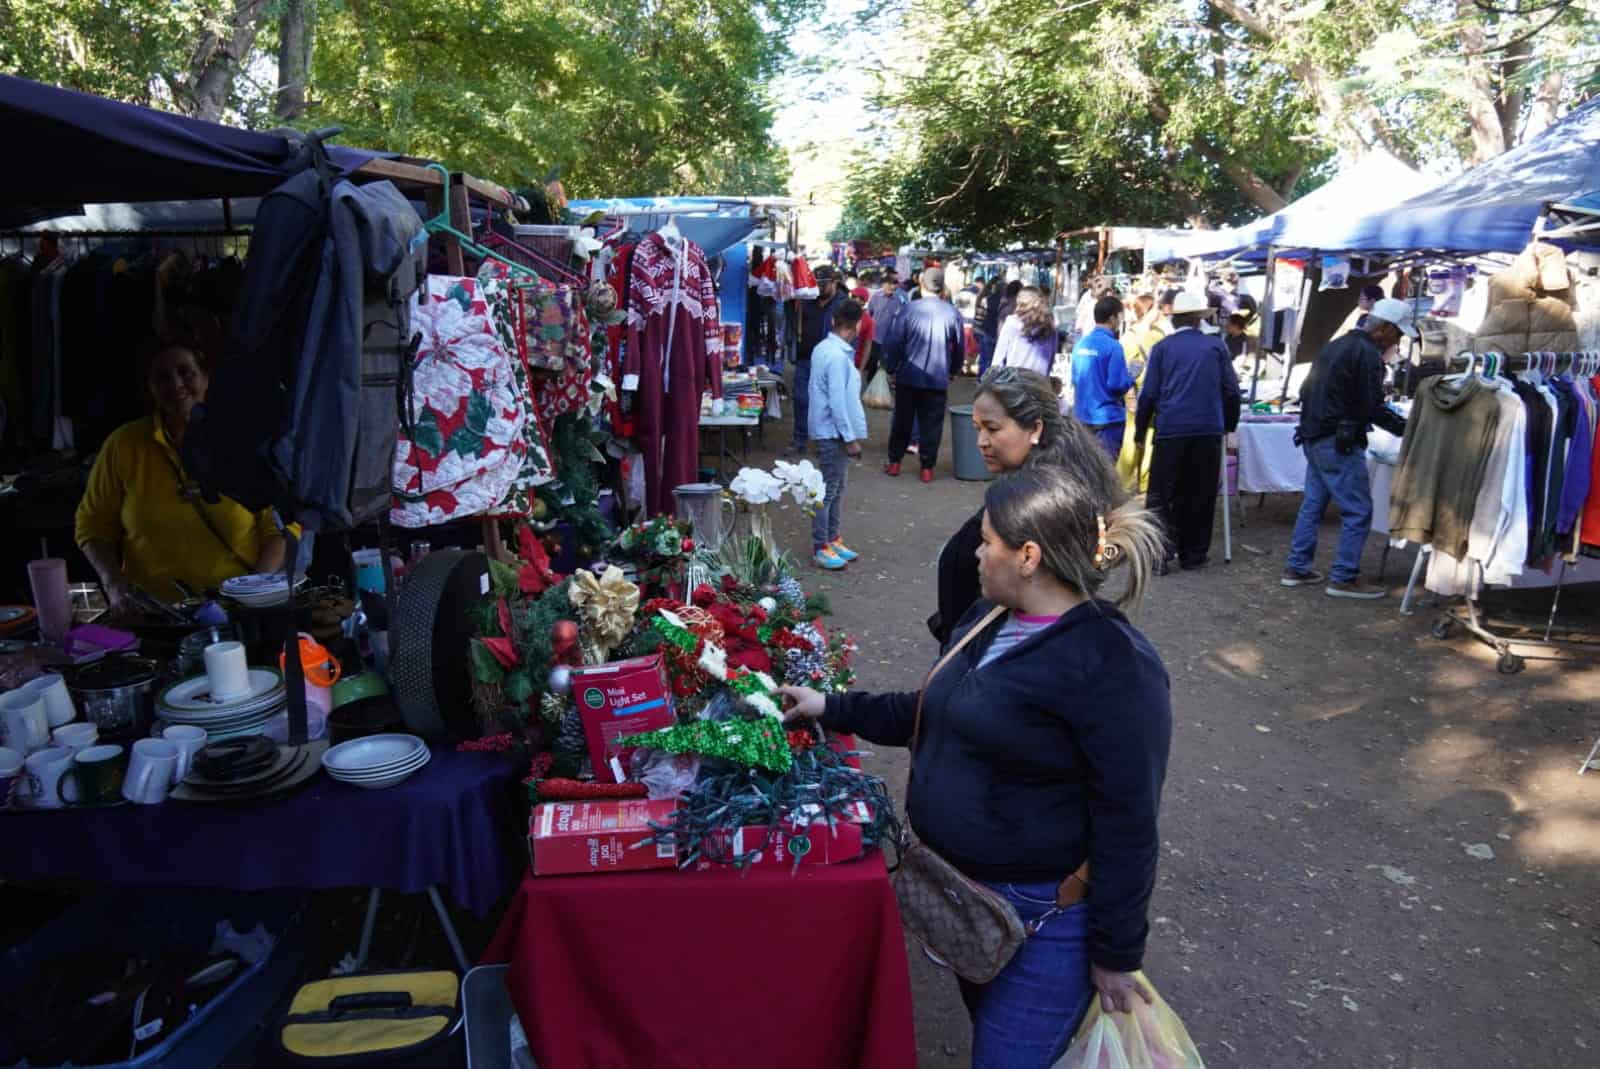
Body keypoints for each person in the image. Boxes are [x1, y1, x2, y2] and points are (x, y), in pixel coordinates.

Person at [778, 462, 1171, 1069]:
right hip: (967, 903)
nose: (976, 555)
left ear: (1029, 556)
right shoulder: (989, 618)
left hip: (1041, 924)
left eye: (988, 542)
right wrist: (830, 706)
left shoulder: (1113, 664)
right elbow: (932, 710)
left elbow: (1130, 820)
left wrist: (1116, 952)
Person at [76, 342, 286, 610]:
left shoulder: (241, 438)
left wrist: (252, 592)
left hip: (238, 608)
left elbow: (281, 526)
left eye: (186, 372)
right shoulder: (124, 444)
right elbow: (92, 525)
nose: (176, 384)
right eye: (162, 377)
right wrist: (114, 583)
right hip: (157, 612)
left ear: (207, 377)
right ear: (150, 388)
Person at [930, 367, 1115, 642]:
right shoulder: (1038, 486)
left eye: (992, 428)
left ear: (1035, 428)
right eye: (977, 429)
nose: (981, 442)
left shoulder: (1044, 504)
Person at [1282, 297, 1414, 598]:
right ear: (1384, 329)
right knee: (1357, 510)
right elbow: (1371, 406)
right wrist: (1407, 429)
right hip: (1336, 440)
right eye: (1398, 333)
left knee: (1312, 505)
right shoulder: (1366, 354)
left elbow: (1306, 390)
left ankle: (1297, 567)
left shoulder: (1337, 345)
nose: (1399, 340)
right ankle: (1343, 577)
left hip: (1313, 436)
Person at [1134, 291, 1242, 572]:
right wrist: (1229, 425)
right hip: (1207, 428)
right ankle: (1193, 553)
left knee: (1163, 493)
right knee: (1200, 492)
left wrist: (1140, 430)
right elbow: (1231, 391)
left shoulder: (1163, 348)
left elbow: (1149, 395)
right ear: (1197, 319)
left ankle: (1160, 554)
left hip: (1171, 429)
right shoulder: (1215, 347)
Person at [882, 267, 963, 483]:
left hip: (908, 376)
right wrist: (953, 370)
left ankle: (894, 462)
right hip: (938, 378)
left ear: (921, 284)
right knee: (932, 424)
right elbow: (959, 347)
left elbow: (894, 342)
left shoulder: (908, 310)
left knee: (902, 420)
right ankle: (927, 467)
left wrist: (890, 367)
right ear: (942, 286)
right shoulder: (952, 313)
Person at [807, 300, 869, 572]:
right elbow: (837, 402)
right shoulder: (835, 356)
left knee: (836, 488)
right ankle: (821, 545)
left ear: (834, 320)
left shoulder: (826, 349)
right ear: (856, 326)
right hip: (832, 432)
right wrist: (850, 438)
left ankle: (832, 538)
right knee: (828, 491)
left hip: (831, 430)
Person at [1071, 296, 1135, 459]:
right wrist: (1132, 376)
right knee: (1105, 473)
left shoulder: (1081, 344)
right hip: (1107, 421)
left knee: (1085, 470)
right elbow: (1116, 384)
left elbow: (1075, 379)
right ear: (1113, 317)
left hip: (1083, 417)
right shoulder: (1113, 346)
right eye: (1120, 317)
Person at [792, 264, 846, 455]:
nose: (820, 288)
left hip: (830, 362)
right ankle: (799, 440)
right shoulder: (807, 300)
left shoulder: (842, 305)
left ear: (835, 283)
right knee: (801, 399)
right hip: (805, 359)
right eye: (817, 283)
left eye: (824, 284)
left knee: (828, 403)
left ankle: (825, 443)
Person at [992, 285, 1059, 378]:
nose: (1017, 309)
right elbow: (1051, 362)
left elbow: (998, 360)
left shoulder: (1012, 323)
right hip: (1028, 386)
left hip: (1025, 385)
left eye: (1021, 304)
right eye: (1017, 304)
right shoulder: (1050, 327)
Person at [849, 285, 877, 371]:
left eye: (859, 298)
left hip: (854, 364)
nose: (854, 300)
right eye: (853, 296)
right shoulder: (841, 313)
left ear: (864, 302)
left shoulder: (869, 321)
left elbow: (867, 346)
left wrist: (861, 370)